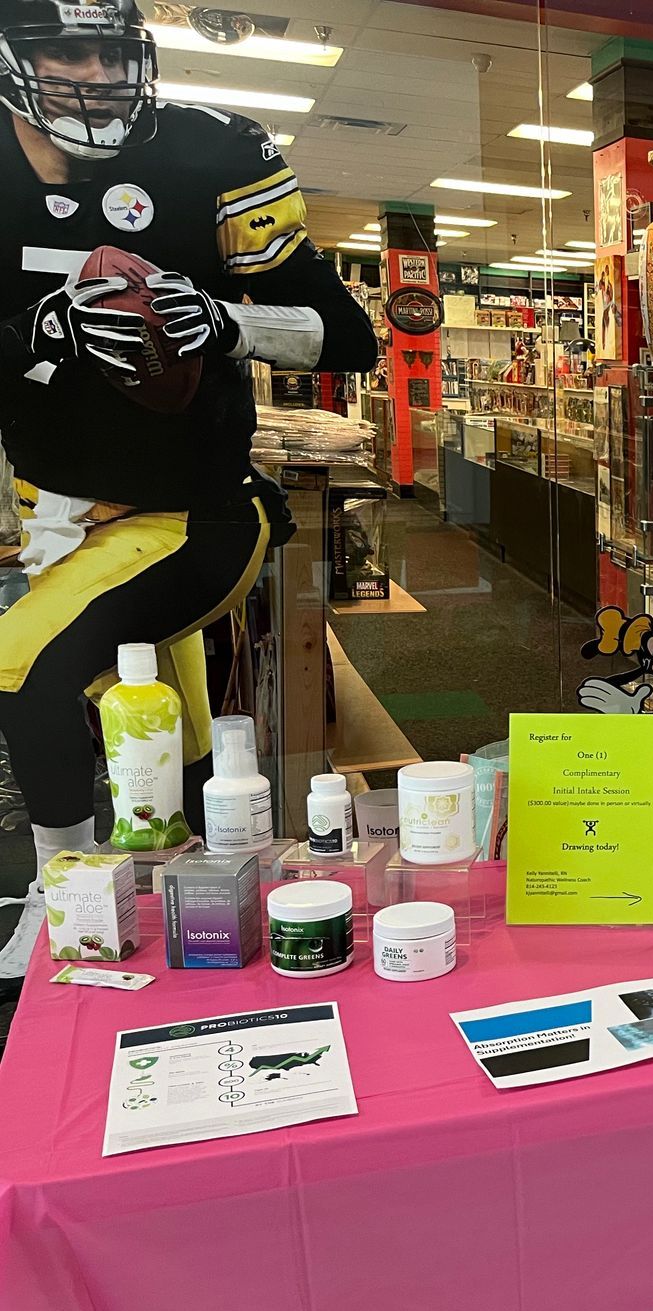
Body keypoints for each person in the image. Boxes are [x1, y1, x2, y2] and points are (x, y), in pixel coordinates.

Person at [0, 0, 376, 984]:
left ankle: (60, 895)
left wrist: (221, 321)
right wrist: (44, 332)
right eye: (65, 49)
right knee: (171, 726)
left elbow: (350, 335)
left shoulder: (208, 154)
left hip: (195, 509)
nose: (93, 72)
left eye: (109, 49)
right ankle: (213, 890)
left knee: (21, 665)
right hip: (54, 511)